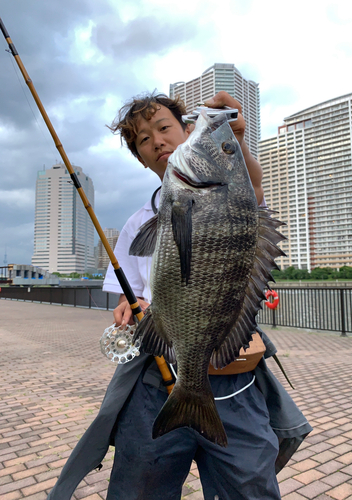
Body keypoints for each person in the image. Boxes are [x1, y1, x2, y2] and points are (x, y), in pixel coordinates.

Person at [47, 91, 312, 500]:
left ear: (187, 131)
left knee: (251, 492)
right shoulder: (137, 224)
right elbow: (126, 296)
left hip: (234, 381)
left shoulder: (231, 192)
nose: (156, 140)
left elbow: (251, 188)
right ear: (140, 157)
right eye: (143, 139)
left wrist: (234, 143)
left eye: (164, 127)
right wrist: (127, 307)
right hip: (157, 382)